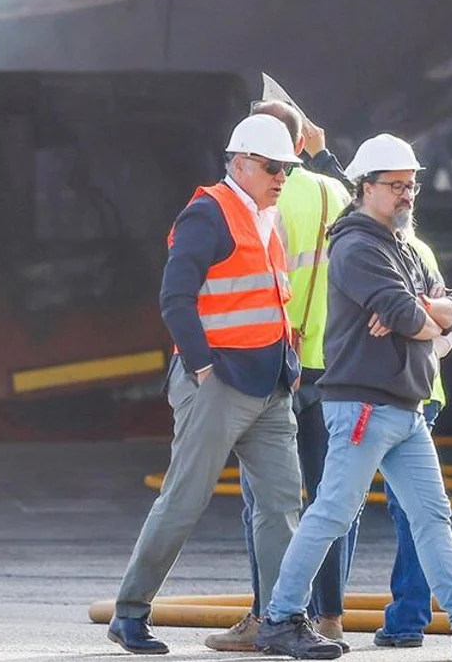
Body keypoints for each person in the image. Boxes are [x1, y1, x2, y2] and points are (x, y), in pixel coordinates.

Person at [253, 134, 452, 661]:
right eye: (396, 185)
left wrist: (424, 313)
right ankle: (279, 619)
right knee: (331, 514)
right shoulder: (357, 246)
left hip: (405, 406)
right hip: (365, 404)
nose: (408, 194)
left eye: (412, 185)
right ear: (365, 187)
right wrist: (422, 314)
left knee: (432, 515)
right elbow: (413, 314)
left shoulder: (403, 246)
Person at [107, 114, 307, 656]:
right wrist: (200, 368)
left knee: (283, 504)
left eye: (286, 168)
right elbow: (175, 298)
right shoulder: (208, 213)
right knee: (184, 500)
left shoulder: (266, 217)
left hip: (268, 382)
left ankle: (280, 620)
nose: (281, 178)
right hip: (218, 382)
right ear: (240, 163)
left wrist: (287, 362)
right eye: (272, 168)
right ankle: (129, 615)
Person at [209, 101, 359, 652]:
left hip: (277, 365)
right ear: (301, 143)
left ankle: (265, 615)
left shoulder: (256, 200)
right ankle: (332, 615)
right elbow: (375, 209)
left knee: (267, 503)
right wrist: (324, 154)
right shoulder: (333, 192)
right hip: (336, 364)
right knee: (329, 498)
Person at [372, 229, 452, 650]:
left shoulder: (360, 250)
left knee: (333, 506)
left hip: (374, 394)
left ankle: (313, 614)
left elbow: (448, 326)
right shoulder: (418, 250)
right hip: (416, 393)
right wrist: (420, 324)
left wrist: (405, 321)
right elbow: (444, 332)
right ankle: (408, 619)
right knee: (418, 513)